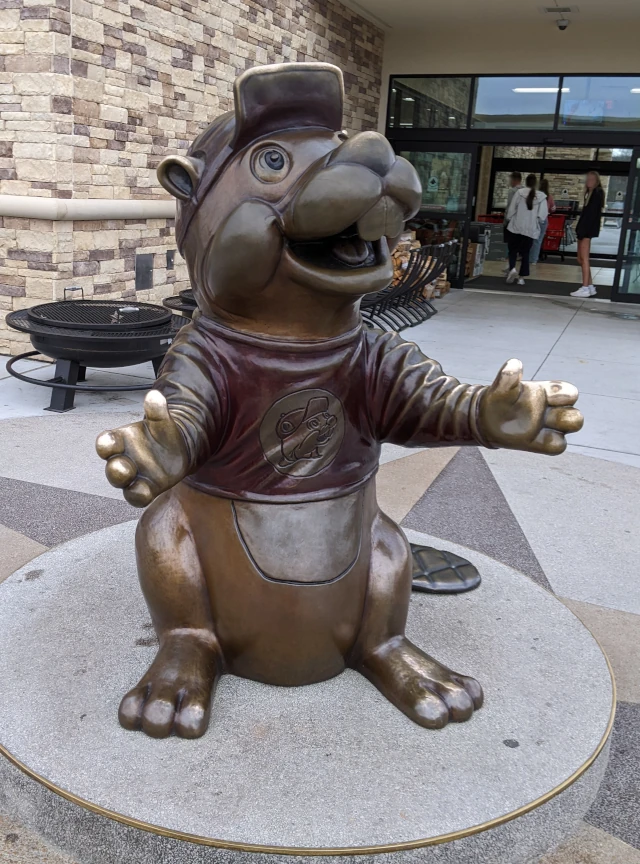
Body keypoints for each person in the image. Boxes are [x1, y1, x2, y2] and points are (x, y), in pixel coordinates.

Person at [505, 174, 549, 286]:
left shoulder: (519, 193)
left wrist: (509, 219)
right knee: (525, 253)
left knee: (513, 251)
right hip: (530, 230)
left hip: (516, 227)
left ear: (526, 182)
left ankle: (512, 269)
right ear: (536, 184)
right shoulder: (541, 197)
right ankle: (521, 277)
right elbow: (542, 216)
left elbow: (511, 210)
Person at [570, 171, 605, 298]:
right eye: (588, 179)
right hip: (584, 230)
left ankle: (585, 287)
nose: (589, 181)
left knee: (584, 259)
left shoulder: (596, 193)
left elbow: (590, 216)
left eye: (592, 179)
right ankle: (590, 286)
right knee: (580, 258)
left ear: (596, 181)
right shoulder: (589, 194)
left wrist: (582, 231)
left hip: (586, 231)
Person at [530, 178, 555, 266]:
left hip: (534, 218)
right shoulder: (549, 197)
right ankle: (534, 259)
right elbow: (552, 208)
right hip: (544, 219)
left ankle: (527, 256)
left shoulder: (535, 195)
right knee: (538, 240)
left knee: (531, 239)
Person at [503, 171, 523, 273]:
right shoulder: (525, 191)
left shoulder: (513, 191)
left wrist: (506, 220)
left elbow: (510, 206)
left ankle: (510, 266)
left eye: (510, 179)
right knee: (518, 246)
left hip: (512, 222)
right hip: (521, 222)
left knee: (511, 246)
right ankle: (514, 267)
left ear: (514, 180)